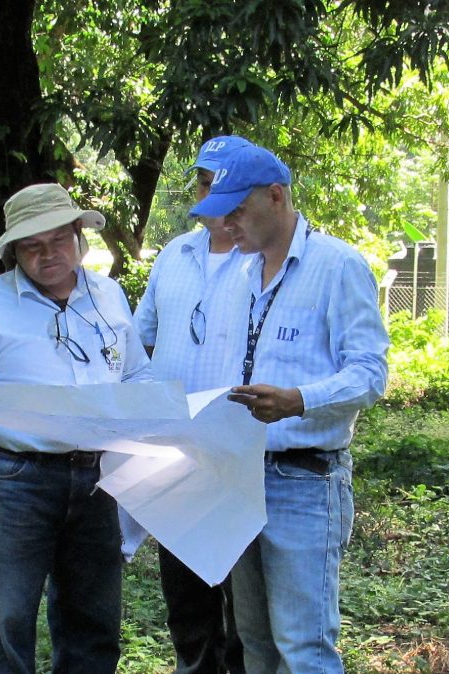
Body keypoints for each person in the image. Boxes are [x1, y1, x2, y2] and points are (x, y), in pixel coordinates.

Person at [0, 182, 151, 674]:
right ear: (13, 252)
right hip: (16, 478)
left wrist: (169, 417)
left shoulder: (109, 296)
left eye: (58, 240)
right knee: (8, 618)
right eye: (32, 245)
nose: (47, 254)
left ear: (79, 236)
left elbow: (136, 375)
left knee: (94, 618)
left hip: (98, 476)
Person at [189, 144, 389, 674]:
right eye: (220, 212)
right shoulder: (235, 273)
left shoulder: (338, 266)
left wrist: (299, 400)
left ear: (275, 196)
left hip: (304, 479)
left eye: (236, 211)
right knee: (255, 643)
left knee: (303, 647)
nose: (227, 224)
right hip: (238, 476)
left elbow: (370, 374)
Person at [133, 135, 251, 674]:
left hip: (241, 449)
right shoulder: (175, 255)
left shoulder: (264, 261)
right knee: (186, 594)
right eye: (201, 181)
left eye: (214, 182)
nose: (204, 191)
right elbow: (140, 340)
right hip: (175, 450)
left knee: (242, 597)